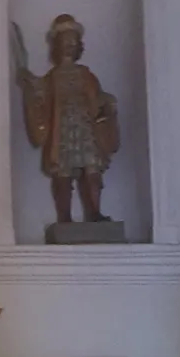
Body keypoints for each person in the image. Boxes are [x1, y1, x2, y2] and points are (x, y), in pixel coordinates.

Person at [18, 14, 120, 224]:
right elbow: (40, 93)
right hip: (62, 130)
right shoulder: (53, 77)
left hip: (86, 129)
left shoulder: (86, 74)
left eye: (73, 42)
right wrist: (29, 82)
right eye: (65, 42)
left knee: (92, 170)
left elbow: (97, 98)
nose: (69, 46)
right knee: (62, 173)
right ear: (57, 46)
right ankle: (64, 217)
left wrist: (105, 102)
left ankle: (94, 212)